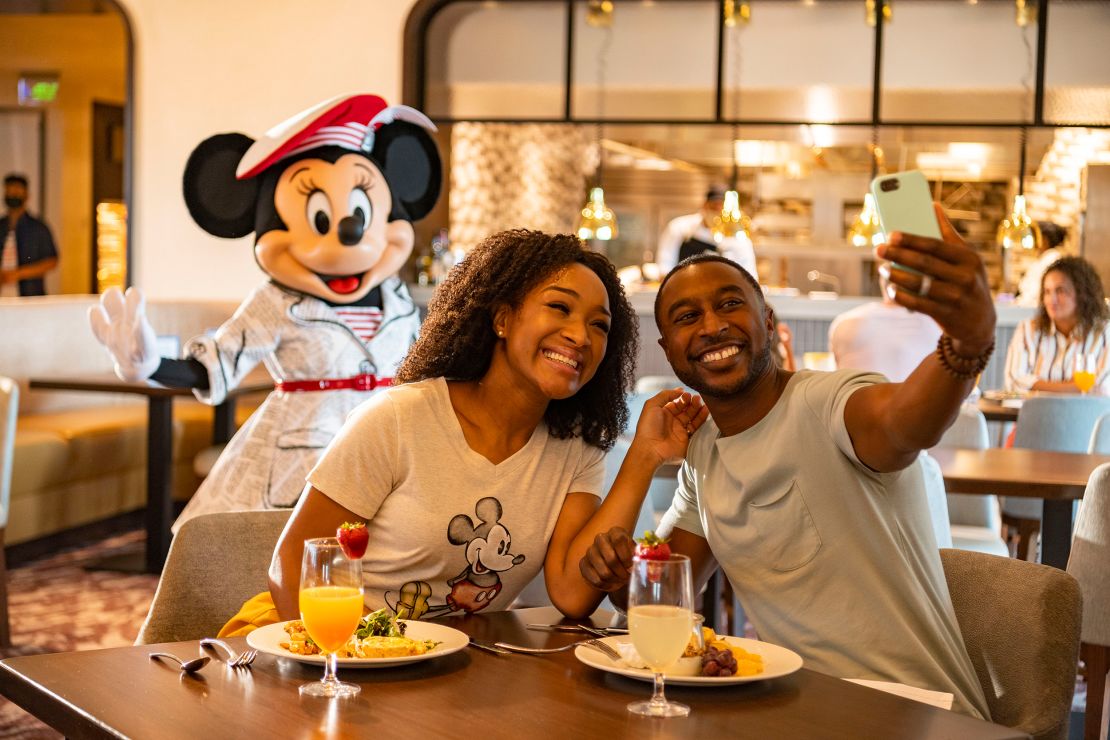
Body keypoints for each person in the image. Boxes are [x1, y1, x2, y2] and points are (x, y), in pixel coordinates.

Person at [580, 204, 997, 720]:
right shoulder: (703, 455)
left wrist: (967, 343)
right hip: (799, 710)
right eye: (688, 318)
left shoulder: (830, 403)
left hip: (915, 712)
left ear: (768, 322)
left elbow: (902, 425)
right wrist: (619, 574)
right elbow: (668, 601)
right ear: (669, 351)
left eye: (730, 305)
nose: (711, 326)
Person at [262, 230, 707, 627]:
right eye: (559, 307)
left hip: (448, 675)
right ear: (502, 319)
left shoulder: (576, 448)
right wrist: (352, 662)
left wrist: (644, 454)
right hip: (327, 650)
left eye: (599, 325)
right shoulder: (399, 419)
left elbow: (573, 594)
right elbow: (292, 565)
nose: (580, 336)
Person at [1005, 254, 1110, 394]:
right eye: (1047, 292)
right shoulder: (1027, 330)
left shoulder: (1105, 333)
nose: (1051, 300)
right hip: (1036, 415)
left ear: (1083, 293)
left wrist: (1036, 385)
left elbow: (1102, 387)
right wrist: (1075, 387)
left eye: (1060, 291)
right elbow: (1013, 382)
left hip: (1087, 416)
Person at [829, 271, 941, 382]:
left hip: (856, 398)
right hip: (915, 399)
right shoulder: (937, 325)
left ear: (883, 281)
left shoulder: (844, 322)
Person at [656, 185, 758, 280]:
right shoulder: (680, 228)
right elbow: (664, 268)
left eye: (722, 209)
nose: (718, 212)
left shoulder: (738, 238)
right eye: (714, 207)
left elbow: (750, 276)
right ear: (704, 205)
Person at [1, 173, 57, 297]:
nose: (12, 194)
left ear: (26, 195)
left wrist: (19, 273)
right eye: (9, 191)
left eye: (17, 191)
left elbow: (52, 260)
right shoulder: (1, 225)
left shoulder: (38, 227)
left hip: (29, 294)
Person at [1015, 221, 1067, 308]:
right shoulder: (1042, 259)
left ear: (1044, 239)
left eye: (1035, 237)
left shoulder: (1052, 259)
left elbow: (1036, 291)